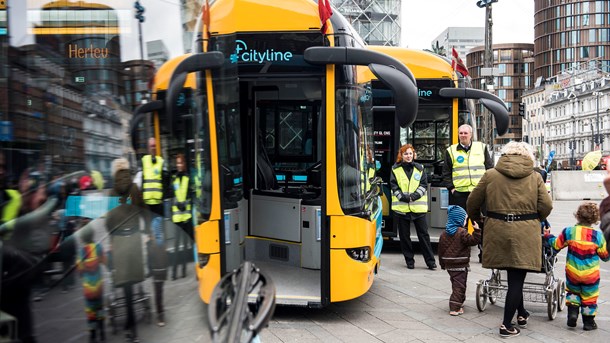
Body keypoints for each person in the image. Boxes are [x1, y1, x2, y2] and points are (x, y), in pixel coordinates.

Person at [466, 141, 552, 338]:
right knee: (517, 277)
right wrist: (535, 218)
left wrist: (477, 218)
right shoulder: (535, 177)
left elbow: (472, 201)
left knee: (512, 274)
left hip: (497, 229)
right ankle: (506, 325)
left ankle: (521, 314)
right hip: (525, 231)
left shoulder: (491, 175)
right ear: (527, 156)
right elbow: (546, 205)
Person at [544, 202, 609, 330]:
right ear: (595, 219)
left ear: (578, 216)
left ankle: (572, 315)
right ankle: (588, 322)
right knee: (589, 297)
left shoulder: (569, 232)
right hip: (591, 275)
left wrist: (548, 236)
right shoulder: (598, 236)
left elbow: (556, 245)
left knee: (573, 292)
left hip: (573, 272)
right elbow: (605, 256)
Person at [106, 158, 146, 343]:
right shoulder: (135, 189)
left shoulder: (111, 193)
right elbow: (143, 210)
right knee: (133, 282)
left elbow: (108, 221)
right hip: (135, 238)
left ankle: (130, 327)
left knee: (125, 285)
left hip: (120, 240)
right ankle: (133, 325)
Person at [442, 124, 493, 261]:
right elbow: (446, 172)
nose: (463, 135)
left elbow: (490, 168)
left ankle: (484, 253)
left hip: (479, 193)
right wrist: (451, 188)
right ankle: (459, 251)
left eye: (465, 133)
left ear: (471, 135)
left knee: (483, 223)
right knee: (459, 223)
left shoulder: (481, 148)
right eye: (461, 133)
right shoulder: (451, 150)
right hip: (459, 193)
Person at [390, 144, 436, 270]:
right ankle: (409, 261)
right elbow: (394, 186)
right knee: (405, 237)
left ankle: (431, 262)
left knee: (424, 236)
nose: (408, 156)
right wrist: (402, 197)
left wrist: (414, 197)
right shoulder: (395, 169)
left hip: (418, 208)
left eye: (410, 153)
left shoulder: (420, 168)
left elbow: (423, 184)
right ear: (401, 155)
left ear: (413, 154)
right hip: (402, 208)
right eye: (406, 154)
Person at [438, 205, 481, 316]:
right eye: (465, 219)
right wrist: (476, 230)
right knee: (459, 286)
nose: (466, 221)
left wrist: (442, 264)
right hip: (460, 264)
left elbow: (440, 250)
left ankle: (459, 302)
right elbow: (473, 241)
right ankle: (454, 307)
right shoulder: (462, 232)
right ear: (460, 220)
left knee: (456, 283)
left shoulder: (444, 233)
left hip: (449, 264)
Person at [76, 227, 106, 343]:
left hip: (88, 288)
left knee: (91, 311)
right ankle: (102, 332)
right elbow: (104, 261)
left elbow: (80, 270)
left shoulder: (82, 252)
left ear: (83, 238)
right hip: (99, 286)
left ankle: (93, 336)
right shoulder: (98, 247)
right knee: (100, 308)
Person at [171, 153, 193, 280]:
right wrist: (177, 203)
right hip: (177, 219)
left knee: (185, 246)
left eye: (181, 163)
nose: (179, 165)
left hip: (186, 217)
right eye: (177, 163)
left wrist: (184, 204)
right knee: (176, 246)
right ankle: (174, 273)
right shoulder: (174, 179)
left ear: (184, 164)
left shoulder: (187, 179)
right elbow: (172, 195)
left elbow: (190, 196)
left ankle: (183, 271)